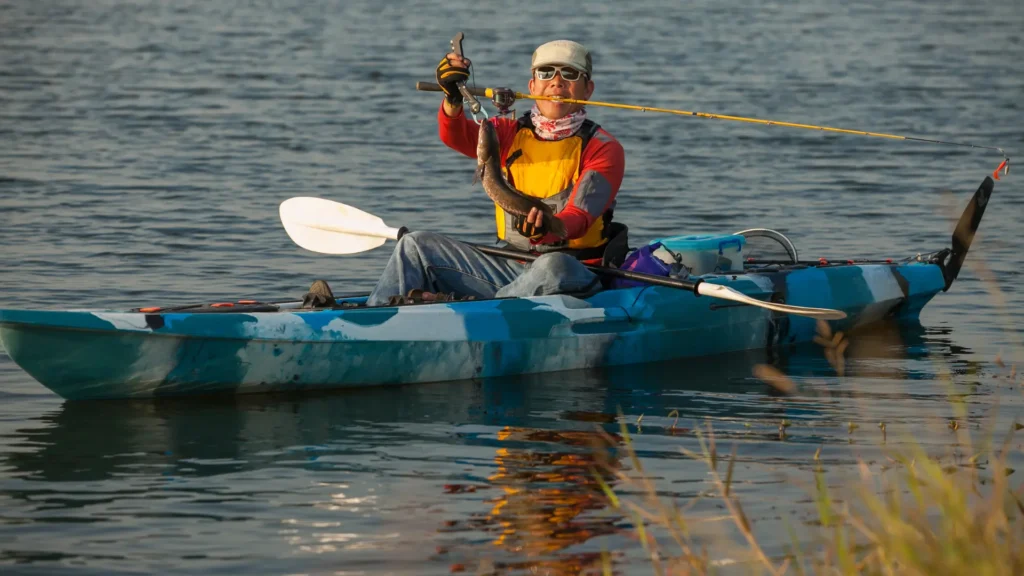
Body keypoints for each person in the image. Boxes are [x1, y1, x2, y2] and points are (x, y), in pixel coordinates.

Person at [306, 40, 627, 308]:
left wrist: (548, 228)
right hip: (509, 267)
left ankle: (462, 308)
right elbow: (456, 135)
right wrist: (452, 99)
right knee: (414, 245)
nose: (556, 82)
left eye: (570, 74)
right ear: (532, 86)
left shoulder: (603, 148)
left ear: (587, 89)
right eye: (546, 73)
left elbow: (579, 217)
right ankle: (376, 317)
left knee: (552, 265)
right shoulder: (506, 131)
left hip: (574, 274)